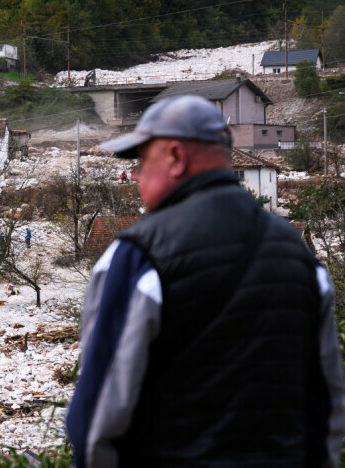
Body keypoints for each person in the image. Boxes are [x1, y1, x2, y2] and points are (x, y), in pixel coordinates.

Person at [66, 95, 345, 466]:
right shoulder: (299, 255)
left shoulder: (138, 254)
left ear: (177, 158)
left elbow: (99, 415)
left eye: (142, 162)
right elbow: (328, 401)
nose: (135, 176)